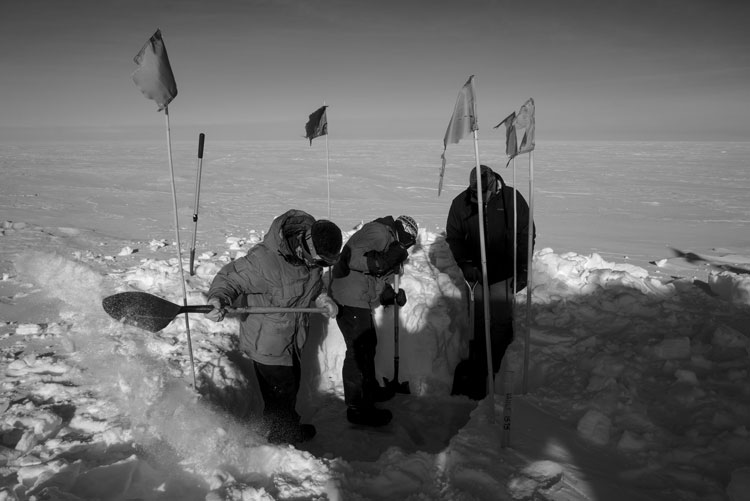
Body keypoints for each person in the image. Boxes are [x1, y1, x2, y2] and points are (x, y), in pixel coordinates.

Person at [204, 209, 341, 444]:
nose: (319, 266)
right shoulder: (264, 261)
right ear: (303, 245)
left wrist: (322, 299)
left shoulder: (312, 260)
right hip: (267, 343)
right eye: (319, 261)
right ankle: (280, 440)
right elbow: (229, 279)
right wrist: (217, 299)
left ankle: (287, 426)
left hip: (293, 340)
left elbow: (314, 286)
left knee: (291, 387)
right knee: (280, 396)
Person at [446, 165, 535, 400]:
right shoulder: (461, 203)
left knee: (500, 321)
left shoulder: (511, 199)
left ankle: (497, 366)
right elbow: (454, 235)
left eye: (482, 194)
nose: (479, 199)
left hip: (502, 271)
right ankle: (478, 366)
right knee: (478, 319)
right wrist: (465, 263)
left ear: (492, 184)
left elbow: (526, 233)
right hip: (476, 273)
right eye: (475, 194)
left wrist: (524, 268)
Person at [330, 215, 419, 426]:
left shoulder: (390, 243)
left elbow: (378, 277)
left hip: (360, 298)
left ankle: (368, 391)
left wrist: (389, 294)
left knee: (368, 346)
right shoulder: (378, 232)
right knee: (358, 351)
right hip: (348, 296)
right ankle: (357, 407)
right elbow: (352, 258)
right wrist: (383, 262)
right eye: (408, 242)